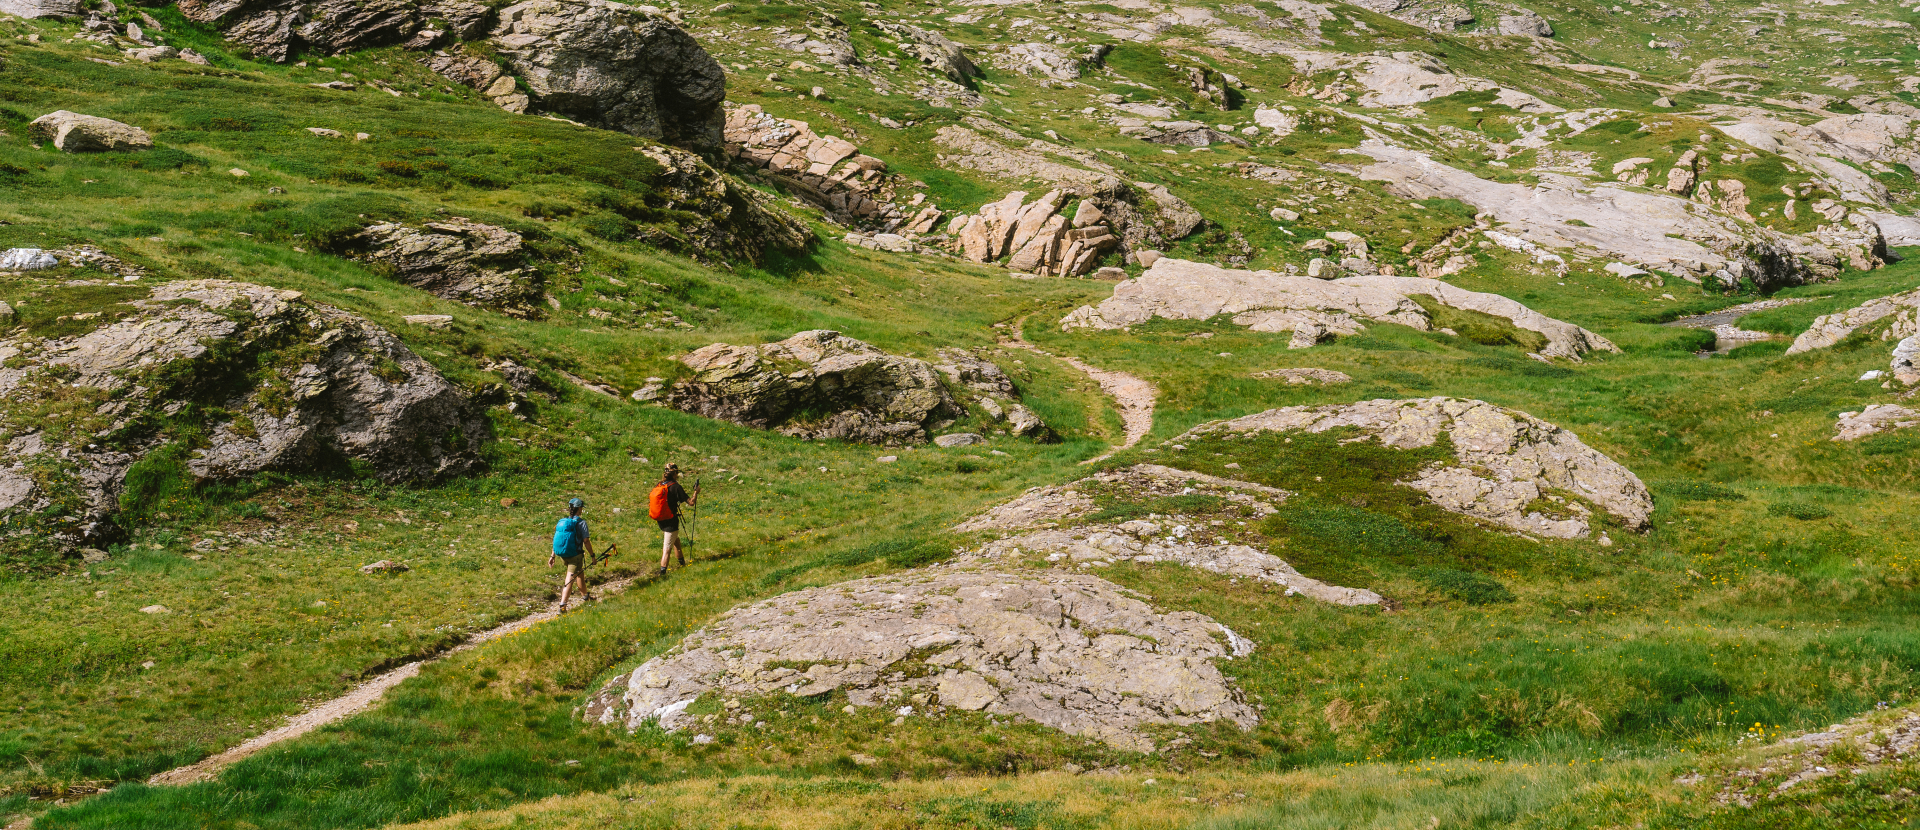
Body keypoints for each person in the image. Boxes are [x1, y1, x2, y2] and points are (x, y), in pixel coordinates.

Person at [648, 463, 698, 577]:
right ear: (675, 473)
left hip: (660, 519)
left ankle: (682, 563)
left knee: (676, 540)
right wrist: (696, 492)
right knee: (667, 548)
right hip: (671, 520)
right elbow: (691, 502)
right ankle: (662, 573)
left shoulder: (659, 484)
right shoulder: (675, 487)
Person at [548, 497, 596, 609]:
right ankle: (562, 605)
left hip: (563, 555)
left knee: (579, 574)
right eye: (581, 508)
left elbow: (557, 540)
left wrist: (552, 556)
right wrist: (592, 556)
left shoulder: (563, 522)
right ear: (579, 508)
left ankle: (586, 597)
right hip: (575, 556)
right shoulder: (581, 523)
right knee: (570, 579)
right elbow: (586, 541)